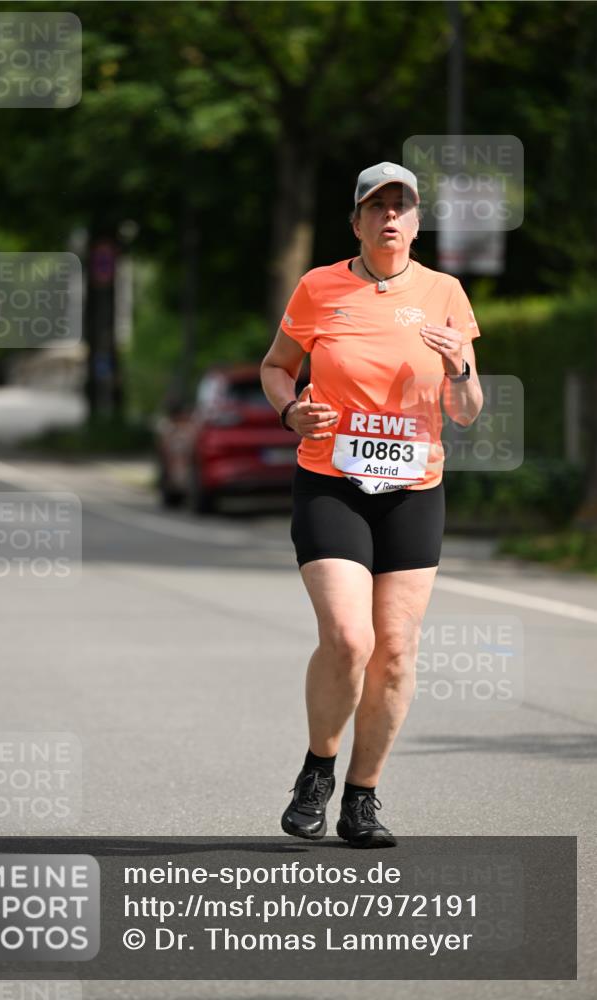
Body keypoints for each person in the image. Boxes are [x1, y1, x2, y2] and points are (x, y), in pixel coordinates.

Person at [260, 162, 483, 848]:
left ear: (416, 223)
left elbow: (466, 411)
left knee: (395, 651)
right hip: (332, 481)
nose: (390, 216)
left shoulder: (445, 292)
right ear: (355, 221)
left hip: (414, 490)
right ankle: (317, 770)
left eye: (401, 206)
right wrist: (290, 409)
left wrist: (459, 367)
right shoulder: (318, 287)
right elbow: (275, 367)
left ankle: (361, 797)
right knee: (350, 637)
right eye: (376, 206)